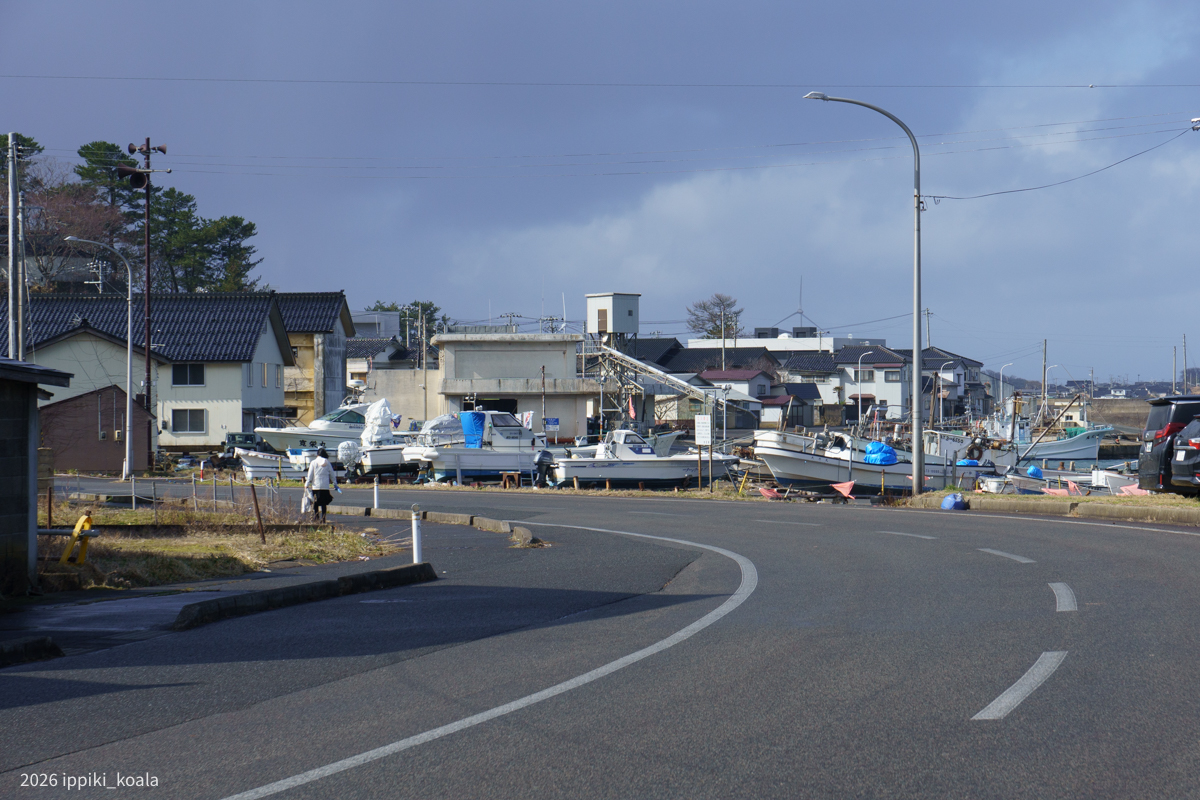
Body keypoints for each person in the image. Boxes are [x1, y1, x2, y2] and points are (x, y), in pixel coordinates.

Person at [305, 447, 338, 522]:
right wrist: (335, 483)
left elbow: (310, 475)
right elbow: (332, 474)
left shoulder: (313, 462)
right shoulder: (327, 463)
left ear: (317, 454)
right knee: (324, 503)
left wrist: (307, 484)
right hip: (325, 486)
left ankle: (316, 517)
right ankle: (323, 518)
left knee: (315, 502)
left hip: (316, 486)